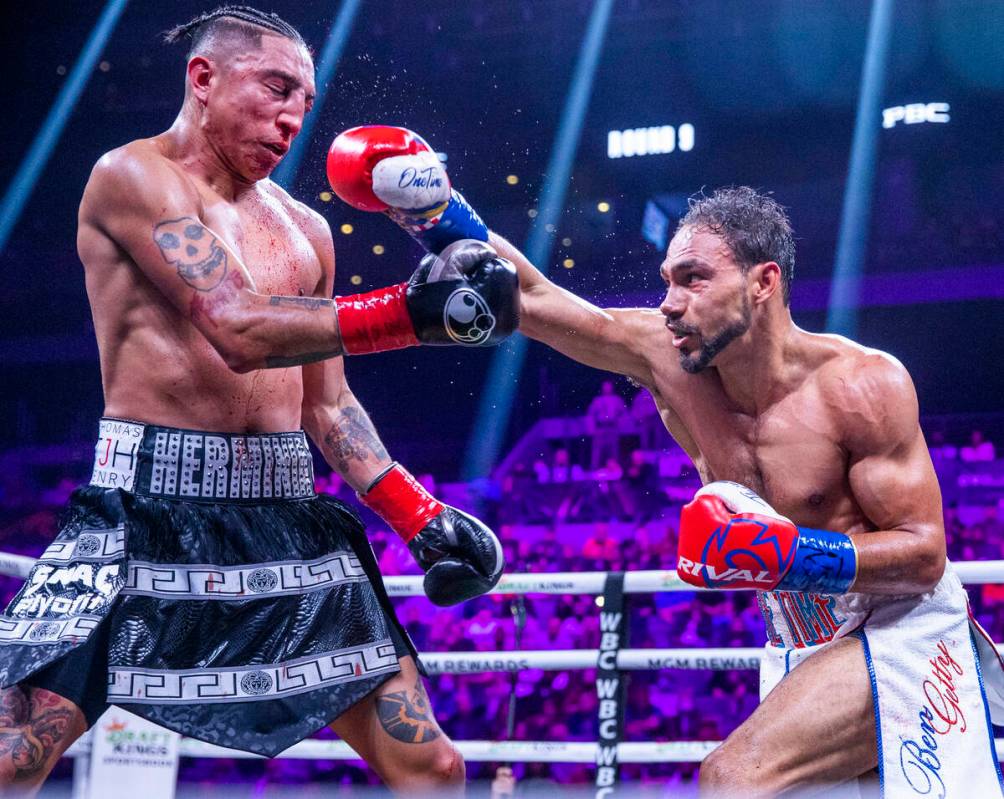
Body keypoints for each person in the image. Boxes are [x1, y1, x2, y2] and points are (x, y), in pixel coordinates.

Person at [330, 149, 1004, 797]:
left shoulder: (861, 383)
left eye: (693, 278)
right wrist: (437, 213)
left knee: (734, 777)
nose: (669, 302)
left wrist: (790, 554)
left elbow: (923, 555)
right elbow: (528, 296)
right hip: (802, 632)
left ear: (764, 282)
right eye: (666, 280)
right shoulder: (664, 356)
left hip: (899, 622)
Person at [0, 8, 519, 796]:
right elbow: (238, 327)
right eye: (276, 87)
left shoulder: (308, 229)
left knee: (435, 767)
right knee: (14, 753)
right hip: (144, 514)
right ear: (203, 79)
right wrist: (414, 315)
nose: (292, 116)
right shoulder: (133, 177)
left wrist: (418, 514)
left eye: (305, 102)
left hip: (285, 517)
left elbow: (328, 406)